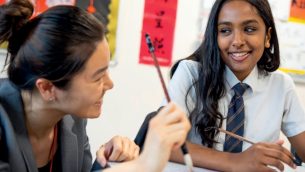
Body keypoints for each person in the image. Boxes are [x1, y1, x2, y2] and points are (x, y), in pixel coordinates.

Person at [0, 0, 191, 172]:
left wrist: (106, 164)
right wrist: (143, 165)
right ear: (48, 88)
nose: (110, 84)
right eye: (98, 77)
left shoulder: (72, 117)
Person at [163, 0, 305, 171]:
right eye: (225, 31)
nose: (237, 41)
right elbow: (163, 142)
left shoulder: (281, 85)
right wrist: (236, 161)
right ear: (214, 37)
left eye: (249, 29)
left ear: (267, 37)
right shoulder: (191, 73)